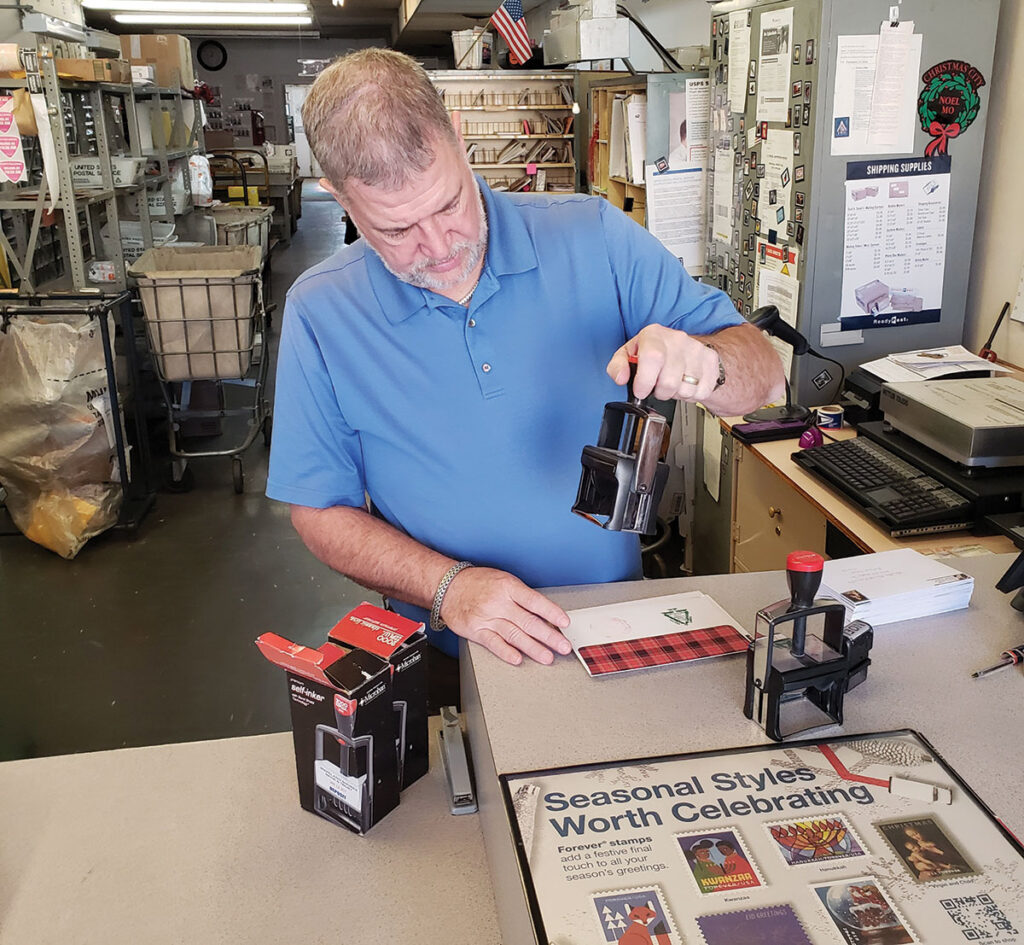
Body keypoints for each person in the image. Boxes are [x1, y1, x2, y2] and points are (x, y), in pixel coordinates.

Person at [266, 49, 785, 667]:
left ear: (459, 140)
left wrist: (705, 362)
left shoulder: (594, 235)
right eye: (397, 231)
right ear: (339, 199)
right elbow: (320, 509)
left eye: (448, 205)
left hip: (611, 625)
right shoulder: (321, 310)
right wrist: (447, 587)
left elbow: (763, 373)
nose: (438, 249)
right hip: (442, 646)